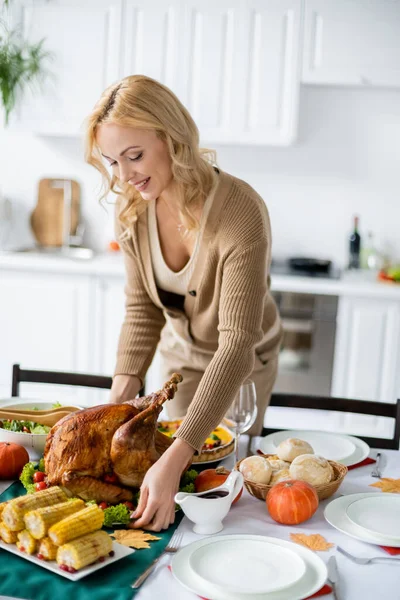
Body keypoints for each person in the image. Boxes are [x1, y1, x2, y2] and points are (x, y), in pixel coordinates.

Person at [84, 75, 282, 531]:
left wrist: (178, 454)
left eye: (134, 156)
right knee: (179, 485)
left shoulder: (240, 212)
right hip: (182, 359)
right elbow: (142, 310)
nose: (125, 176)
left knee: (221, 480)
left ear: (173, 139)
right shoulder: (132, 209)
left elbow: (236, 345)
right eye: (112, 162)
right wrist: (117, 402)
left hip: (244, 362)